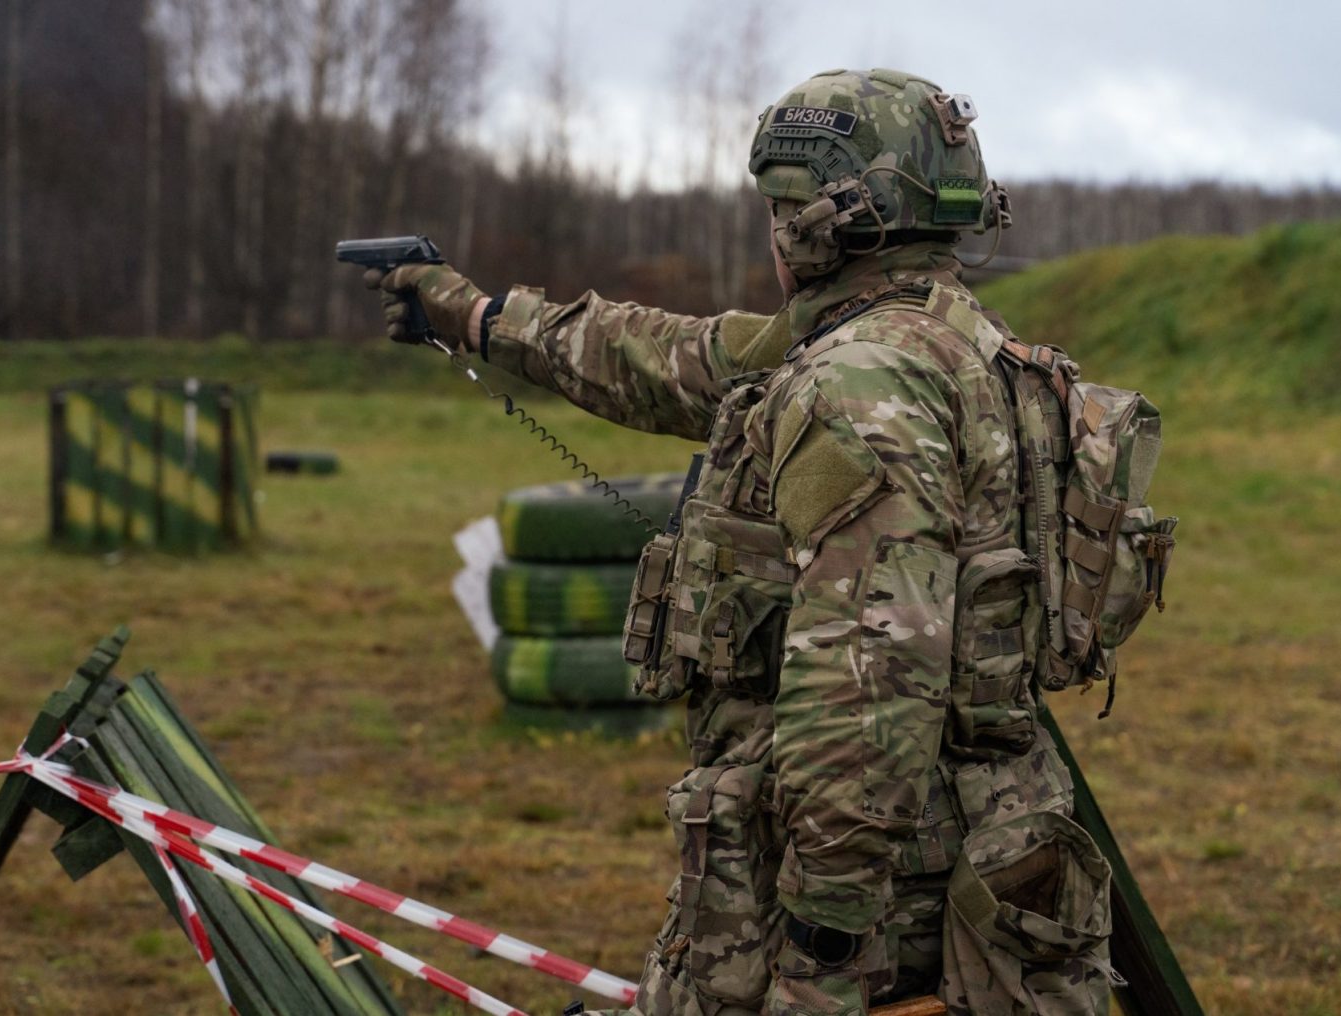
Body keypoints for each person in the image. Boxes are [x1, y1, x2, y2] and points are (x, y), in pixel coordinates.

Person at [367, 69, 1115, 1016]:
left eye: (777, 209)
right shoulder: (944, 344)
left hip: (880, 917)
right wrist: (477, 317)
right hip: (971, 855)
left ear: (809, 223)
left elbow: (867, 690)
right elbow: (675, 358)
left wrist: (820, 955)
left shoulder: (857, 387)